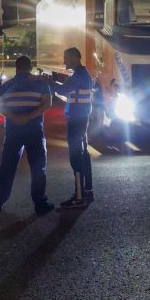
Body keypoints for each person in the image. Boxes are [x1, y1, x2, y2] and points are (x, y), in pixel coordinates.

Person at [0, 56, 55, 215]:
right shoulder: (40, 83)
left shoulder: (5, 86)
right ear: (30, 67)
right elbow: (47, 104)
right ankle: (40, 203)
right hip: (34, 130)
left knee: (7, 166)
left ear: (16, 68)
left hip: (13, 131)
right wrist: (29, 116)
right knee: (38, 167)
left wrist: (15, 117)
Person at [49, 47, 94, 208]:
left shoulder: (79, 76)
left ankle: (79, 197)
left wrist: (48, 82)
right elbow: (67, 90)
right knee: (83, 154)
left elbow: (62, 90)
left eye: (66, 58)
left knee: (75, 156)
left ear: (75, 57)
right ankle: (87, 188)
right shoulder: (83, 75)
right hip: (81, 118)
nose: (64, 61)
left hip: (76, 120)